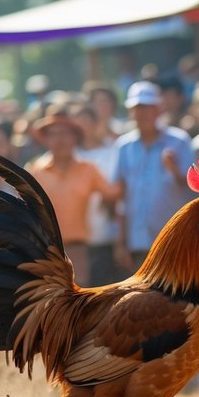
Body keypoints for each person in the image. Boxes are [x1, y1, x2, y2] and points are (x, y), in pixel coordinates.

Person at [26, 106, 119, 286]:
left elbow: (112, 194)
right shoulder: (35, 172)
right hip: (45, 253)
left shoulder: (88, 169)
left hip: (79, 252)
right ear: (46, 139)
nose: (60, 139)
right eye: (53, 133)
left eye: (65, 133)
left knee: (79, 306)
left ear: (75, 137)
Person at [112, 81, 196, 275]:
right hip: (138, 243)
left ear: (159, 109)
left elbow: (194, 189)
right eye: (137, 108)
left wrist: (174, 170)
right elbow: (121, 197)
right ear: (130, 112)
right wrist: (120, 242)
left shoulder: (179, 141)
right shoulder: (123, 146)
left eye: (147, 107)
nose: (142, 113)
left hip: (174, 241)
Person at [71, 104, 123, 285]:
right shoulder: (68, 156)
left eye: (87, 121)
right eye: (78, 122)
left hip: (106, 234)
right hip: (75, 238)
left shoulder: (113, 151)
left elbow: (119, 189)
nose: (83, 126)